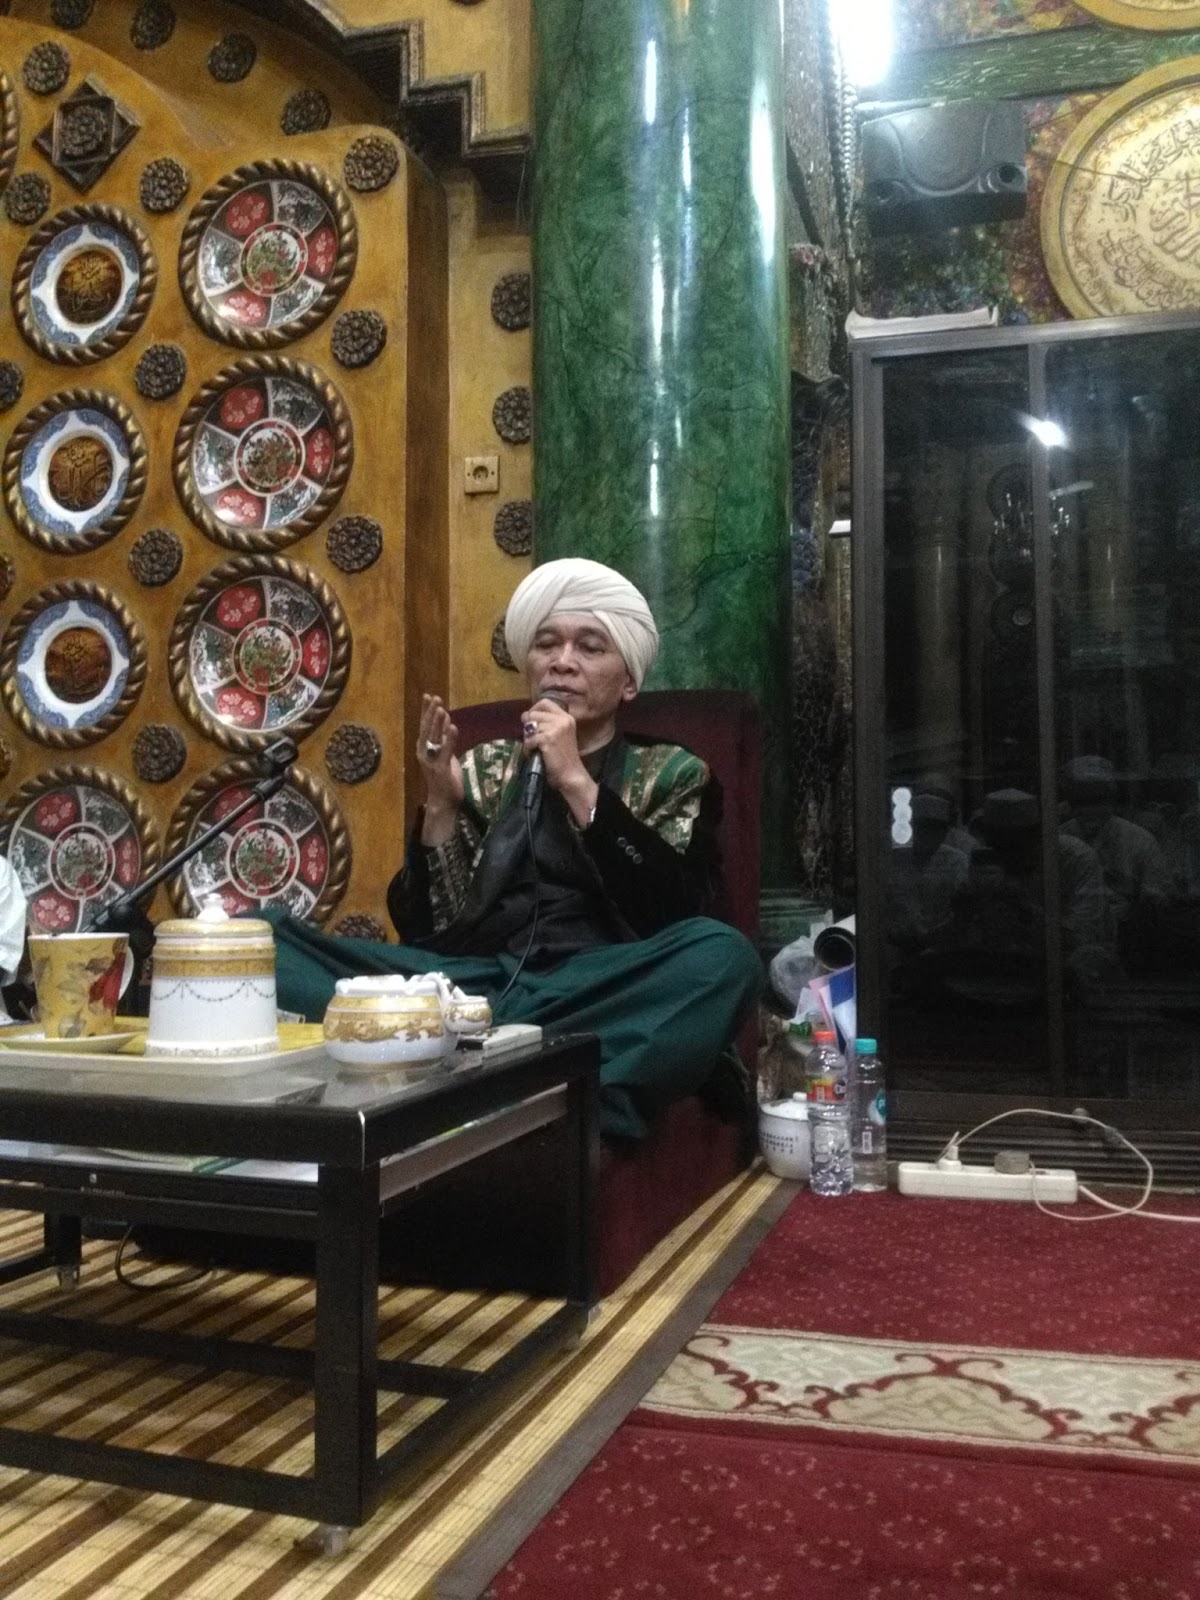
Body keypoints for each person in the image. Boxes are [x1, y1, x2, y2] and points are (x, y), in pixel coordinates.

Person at [272, 558, 763, 1139]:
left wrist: (575, 781)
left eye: (590, 647)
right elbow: (430, 933)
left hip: (599, 984)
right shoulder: (486, 766)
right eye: (547, 645)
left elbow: (673, 911)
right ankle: (521, 1056)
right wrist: (440, 805)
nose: (562, 662)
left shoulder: (673, 772)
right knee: (264, 941)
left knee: (724, 958)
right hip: (476, 985)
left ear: (629, 681)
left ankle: (560, 1094)